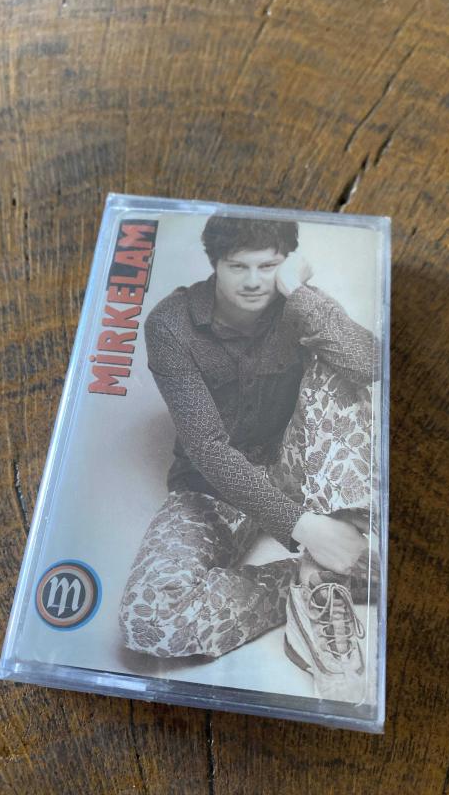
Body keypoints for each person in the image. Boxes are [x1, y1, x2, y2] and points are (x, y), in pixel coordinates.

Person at [119, 215, 379, 702]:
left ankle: (334, 568)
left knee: (337, 363)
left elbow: (369, 364)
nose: (255, 281)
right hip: (214, 483)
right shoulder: (171, 324)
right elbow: (207, 448)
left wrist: (299, 292)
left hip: (301, 469)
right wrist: (305, 529)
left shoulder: (296, 303)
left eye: (269, 265)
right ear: (215, 262)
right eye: (238, 266)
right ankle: (315, 580)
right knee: (150, 621)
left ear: (287, 263)